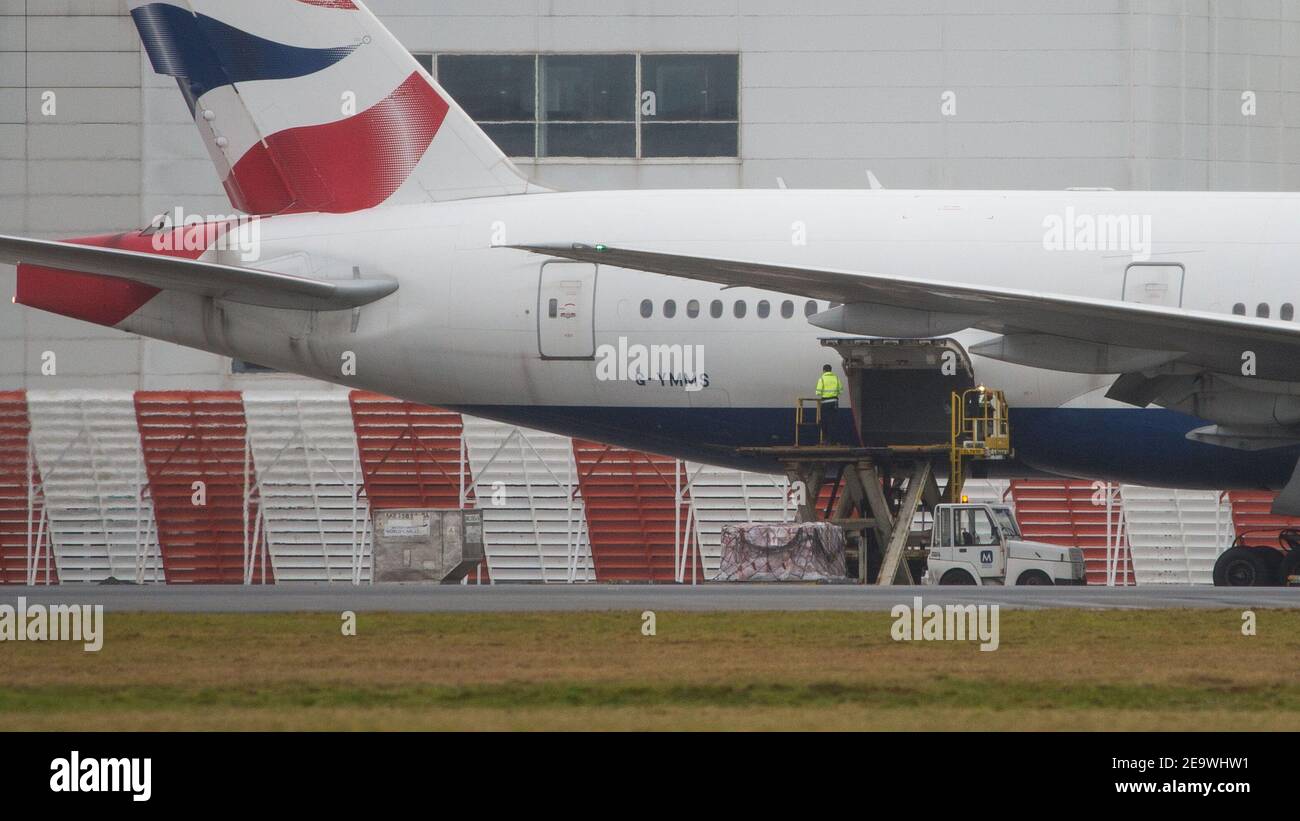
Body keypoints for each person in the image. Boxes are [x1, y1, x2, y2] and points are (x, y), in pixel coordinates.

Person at [814, 364, 843, 444]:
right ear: (831, 370)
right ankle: (833, 440)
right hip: (834, 402)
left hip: (825, 403)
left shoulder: (822, 379)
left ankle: (825, 440)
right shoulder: (836, 378)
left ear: (823, 370)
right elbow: (841, 391)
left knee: (824, 421)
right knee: (833, 421)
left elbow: (818, 392)